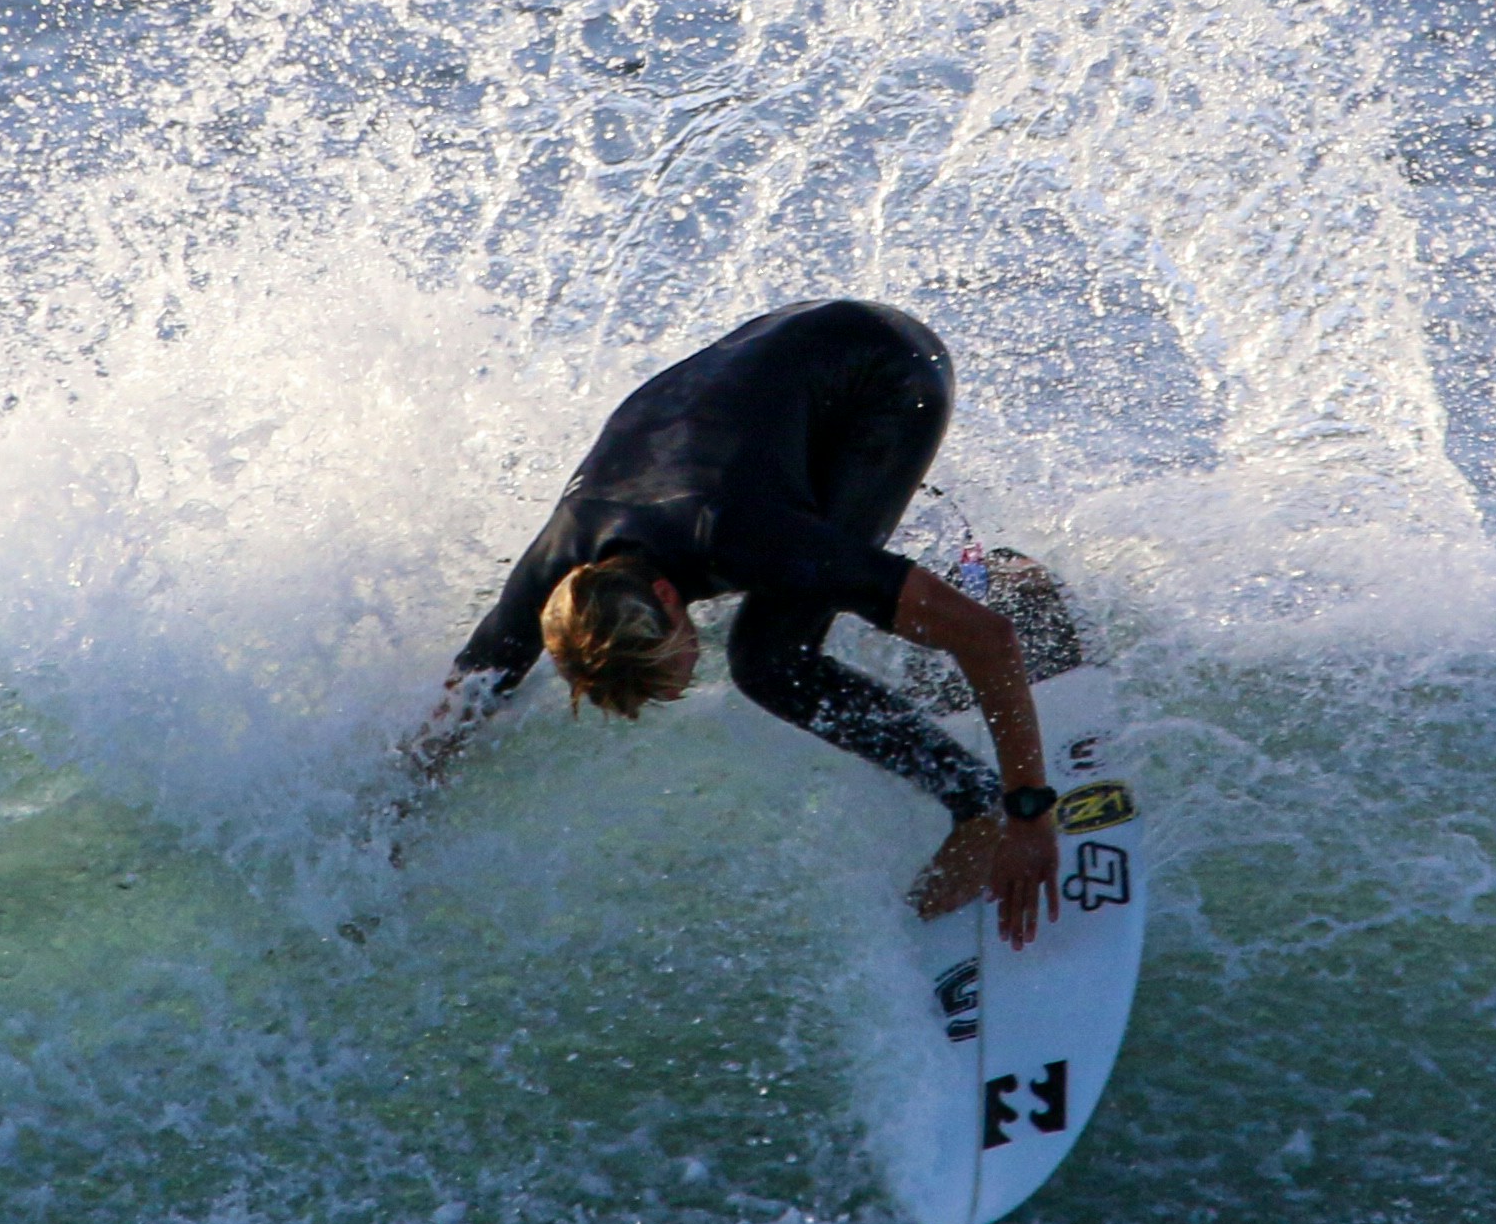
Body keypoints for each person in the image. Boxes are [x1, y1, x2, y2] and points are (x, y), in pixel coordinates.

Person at [402, 296, 1082, 942]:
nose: (675, 691)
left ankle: (981, 802)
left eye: (669, 672)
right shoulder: (557, 567)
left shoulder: (743, 538)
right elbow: (470, 690)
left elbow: (987, 637)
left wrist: (1029, 812)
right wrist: (396, 813)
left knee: (770, 661)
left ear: (668, 597)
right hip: (757, 376)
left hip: (881, 370)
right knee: (805, 601)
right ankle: (969, 601)